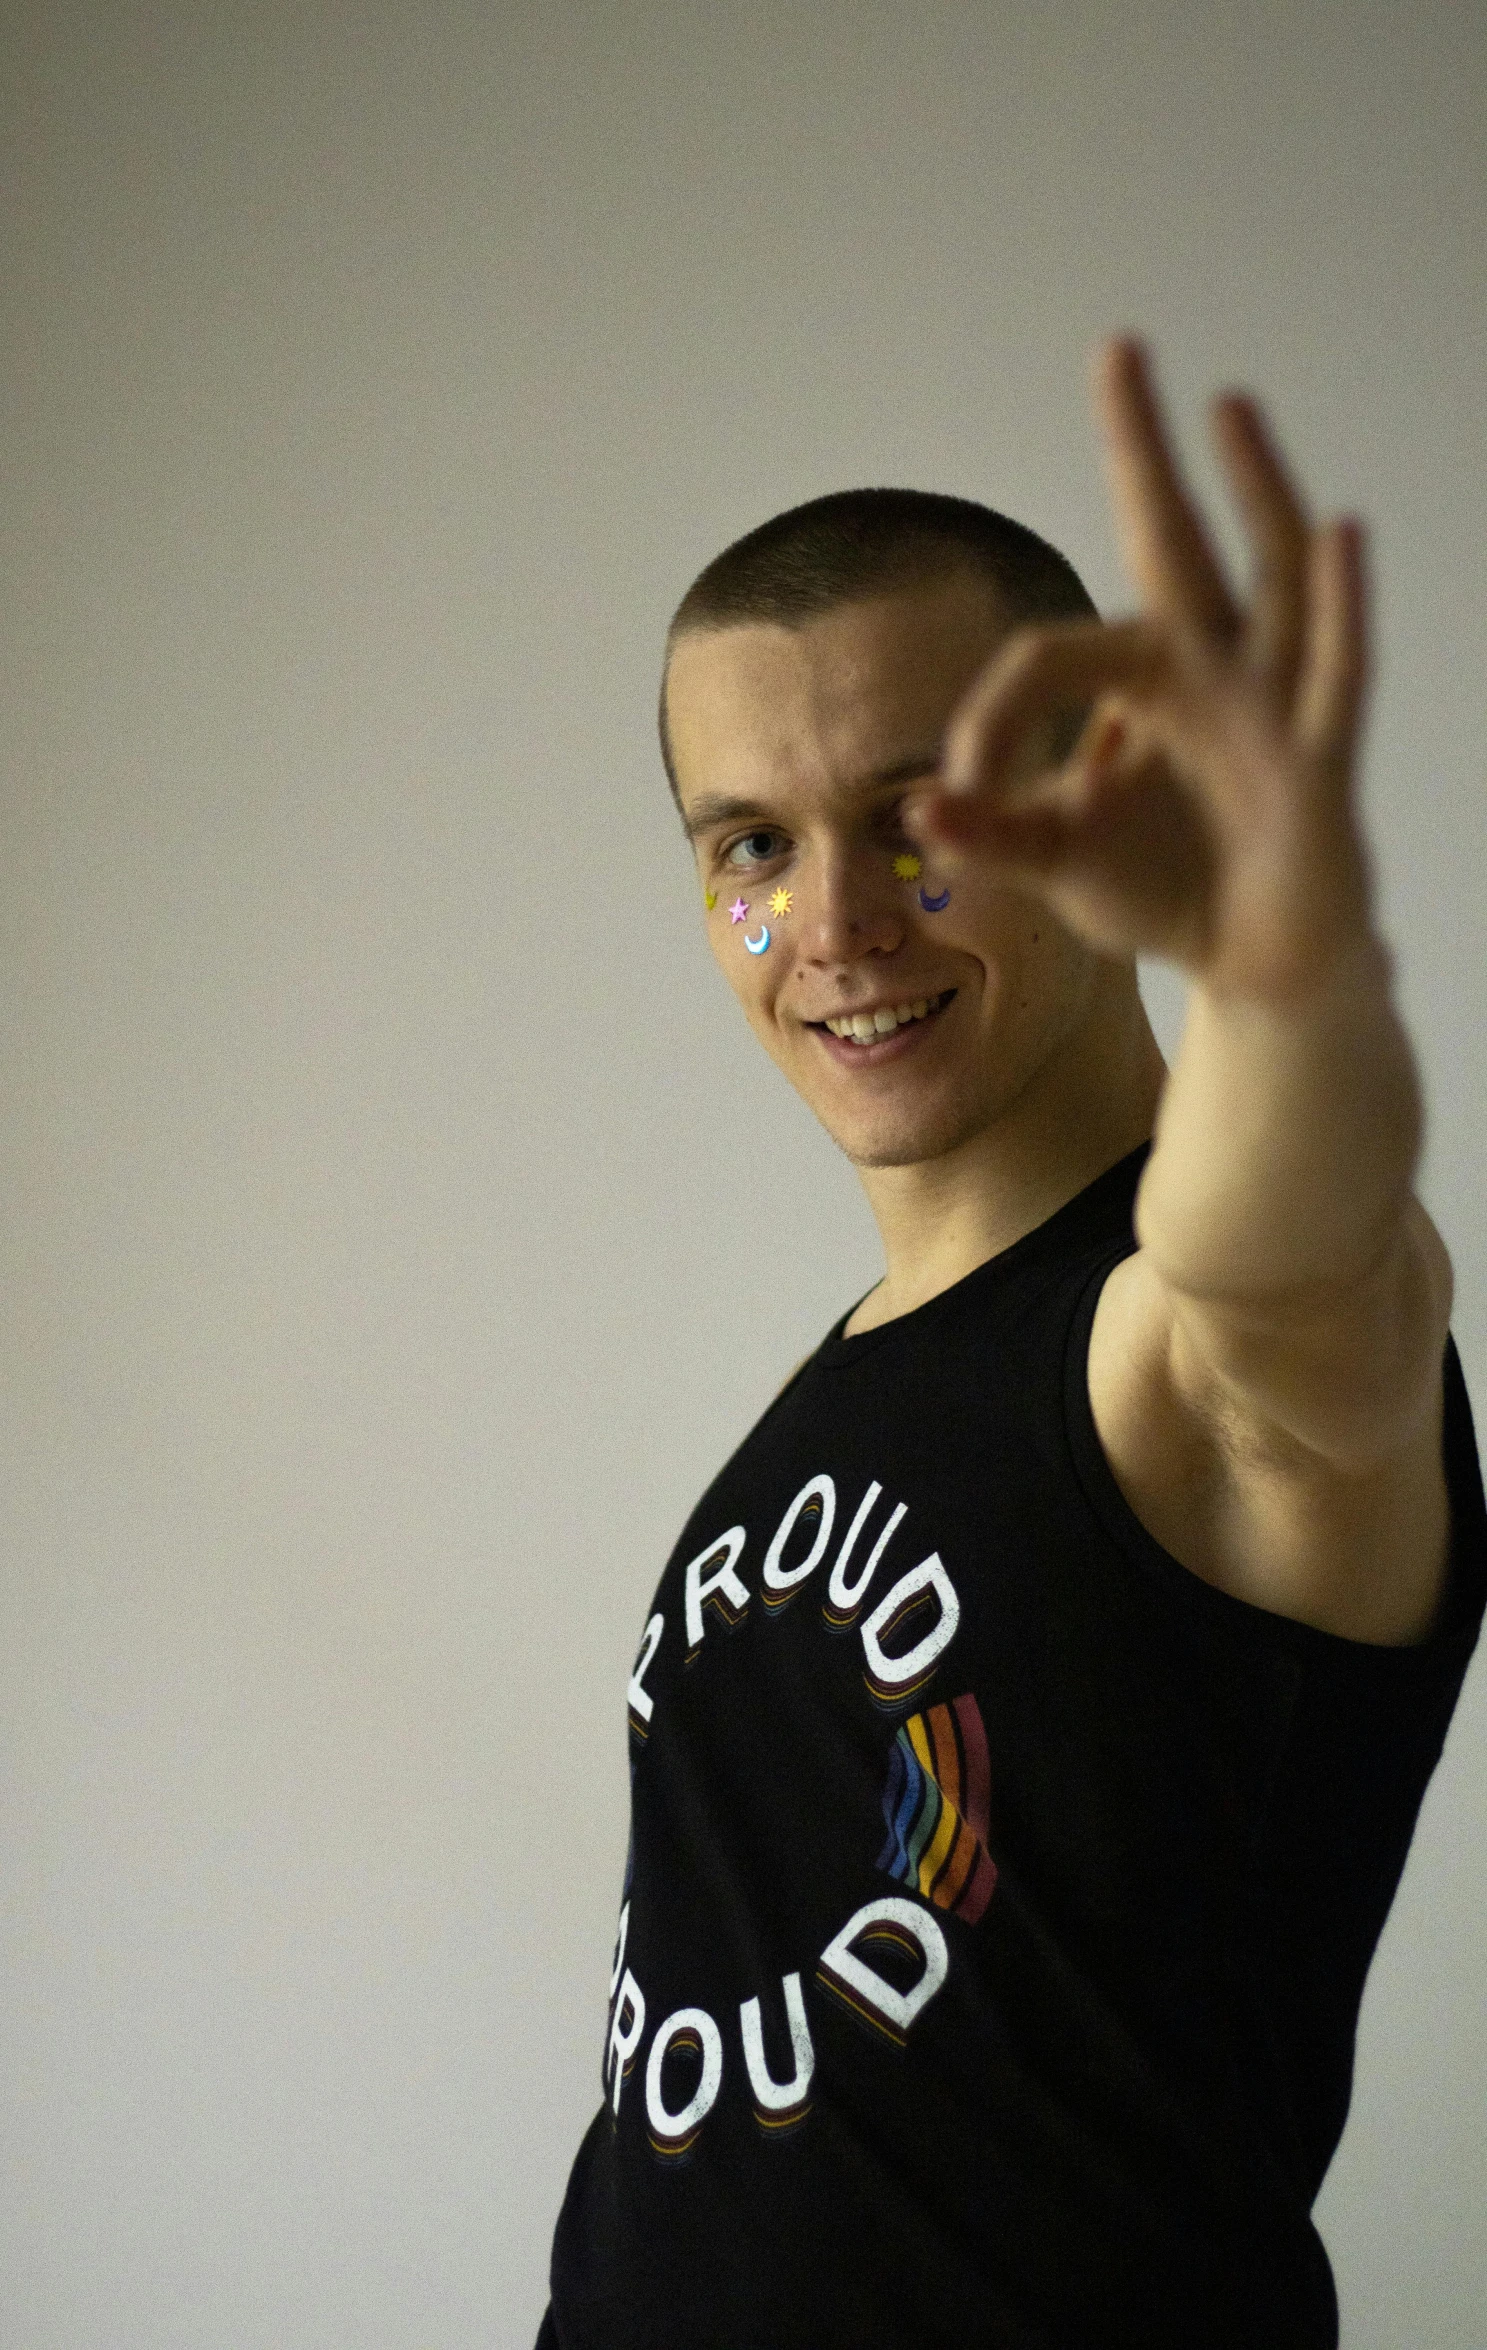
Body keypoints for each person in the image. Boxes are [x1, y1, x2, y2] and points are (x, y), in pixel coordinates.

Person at [536, 338, 1486, 2349]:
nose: (838, 922)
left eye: (919, 814)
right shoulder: (848, 1390)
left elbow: (1297, 1257)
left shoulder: (1179, 1359)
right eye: (753, 847)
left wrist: (1278, 949)